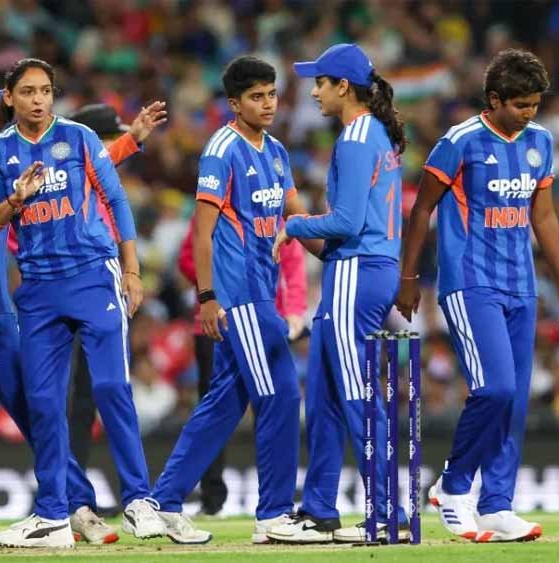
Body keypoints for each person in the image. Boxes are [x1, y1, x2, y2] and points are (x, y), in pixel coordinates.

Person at [0, 57, 166, 548]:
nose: (38, 99)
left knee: (111, 387)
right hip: (38, 290)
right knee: (42, 403)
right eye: (28, 91)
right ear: (9, 97)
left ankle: (139, 501)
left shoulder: (79, 137)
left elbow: (116, 200)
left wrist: (131, 269)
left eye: (45, 90)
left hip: (92, 276)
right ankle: (54, 515)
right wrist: (14, 201)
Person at [397, 48, 559, 542]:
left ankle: (497, 505)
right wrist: (409, 278)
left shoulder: (540, 140)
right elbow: (422, 210)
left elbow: (544, 216)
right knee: (495, 388)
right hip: (470, 281)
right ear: (495, 99)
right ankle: (453, 487)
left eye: (535, 105)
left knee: (515, 401)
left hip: (522, 283)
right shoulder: (459, 141)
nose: (529, 113)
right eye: (521, 105)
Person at [148, 55, 308, 545]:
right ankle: (274, 515)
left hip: (263, 294)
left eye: (272, 94)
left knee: (223, 403)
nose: (268, 104)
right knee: (281, 395)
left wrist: (339, 244)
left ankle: (161, 502)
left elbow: (297, 216)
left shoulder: (276, 151)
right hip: (240, 297)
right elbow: (202, 231)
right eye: (256, 97)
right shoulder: (222, 149)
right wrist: (208, 297)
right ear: (235, 104)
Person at [267, 43, 409, 543]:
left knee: (355, 393)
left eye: (321, 83)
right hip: (367, 269)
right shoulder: (376, 134)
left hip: (357, 271)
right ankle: (320, 511)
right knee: (326, 395)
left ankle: (389, 511)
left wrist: (295, 223)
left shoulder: (355, 137)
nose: (314, 92)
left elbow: (346, 222)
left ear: (343, 87)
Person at [174, 212, 307, 517]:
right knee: (218, 406)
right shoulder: (213, 209)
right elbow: (189, 257)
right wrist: (219, 283)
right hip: (216, 322)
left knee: (261, 405)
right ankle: (212, 497)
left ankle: (269, 497)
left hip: (264, 320)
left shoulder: (271, 210)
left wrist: (294, 311)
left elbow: (293, 262)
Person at [65, 101, 166, 474]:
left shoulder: (105, 188)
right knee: (72, 397)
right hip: (68, 292)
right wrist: (131, 140)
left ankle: (80, 485)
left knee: (93, 394)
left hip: (103, 292)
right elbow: (98, 163)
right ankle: (65, 484)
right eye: (113, 137)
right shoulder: (74, 177)